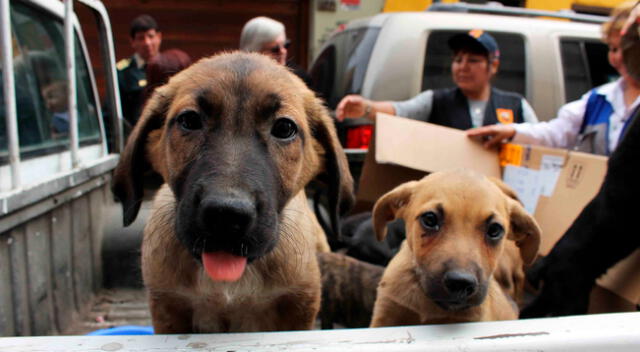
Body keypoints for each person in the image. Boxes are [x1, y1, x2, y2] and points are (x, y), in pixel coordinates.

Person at [468, 1, 640, 156]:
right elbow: (557, 133)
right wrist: (513, 132)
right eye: (612, 49)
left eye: (622, 49)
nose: (616, 58)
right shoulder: (598, 100)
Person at [335, 29, 538, 129]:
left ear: (493, 66)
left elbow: (540, 141)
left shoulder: (515, 105)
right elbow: (401, 111)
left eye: (473, 60)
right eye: (458, 59)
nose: (463, 66)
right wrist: (367, 108)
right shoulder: (435, 101)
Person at [239, 16, 313, 88]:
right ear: (253, 52)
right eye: (275, 49)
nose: (283, 51)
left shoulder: (300, 78)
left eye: (286, 45)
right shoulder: (238, 78)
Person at [117, 14, 162, 127]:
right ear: (133, 41)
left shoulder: (170, 66)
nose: (147, 43)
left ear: (159, 37)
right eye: (141, 38)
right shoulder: (122, 72)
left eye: (151, 36)